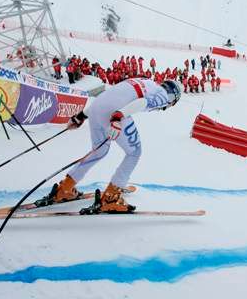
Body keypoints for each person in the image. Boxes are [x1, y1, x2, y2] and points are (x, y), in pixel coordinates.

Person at [36, 78, 182, 213]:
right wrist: (117, 117)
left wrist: (81, 116)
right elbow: (143, 103)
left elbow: (110, 95)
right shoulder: (163, 95)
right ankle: (111, 197)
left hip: (96, 108)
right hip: (113, 112)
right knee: (134, 152)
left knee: (98, 152)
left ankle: (65, 189)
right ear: (173, 98)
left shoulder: (146, 82)